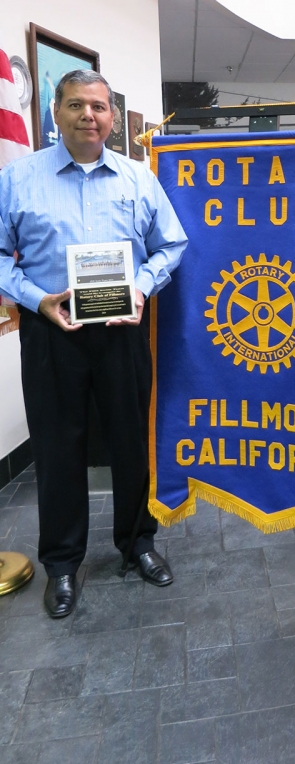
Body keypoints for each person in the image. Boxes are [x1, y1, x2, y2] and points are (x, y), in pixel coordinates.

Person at [0, 70, 188, 618]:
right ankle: (62, 564)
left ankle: (137, 544)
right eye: (77, 105)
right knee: (57, 450)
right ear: (55, 113)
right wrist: (36, 299)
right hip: (49, 333)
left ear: (111, 116)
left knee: (131, 440)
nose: (90, 115)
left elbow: (171, 244)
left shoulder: (137, 179)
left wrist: (142, 287)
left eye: (100, 107)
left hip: (121, 333)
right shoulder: (18, 178)